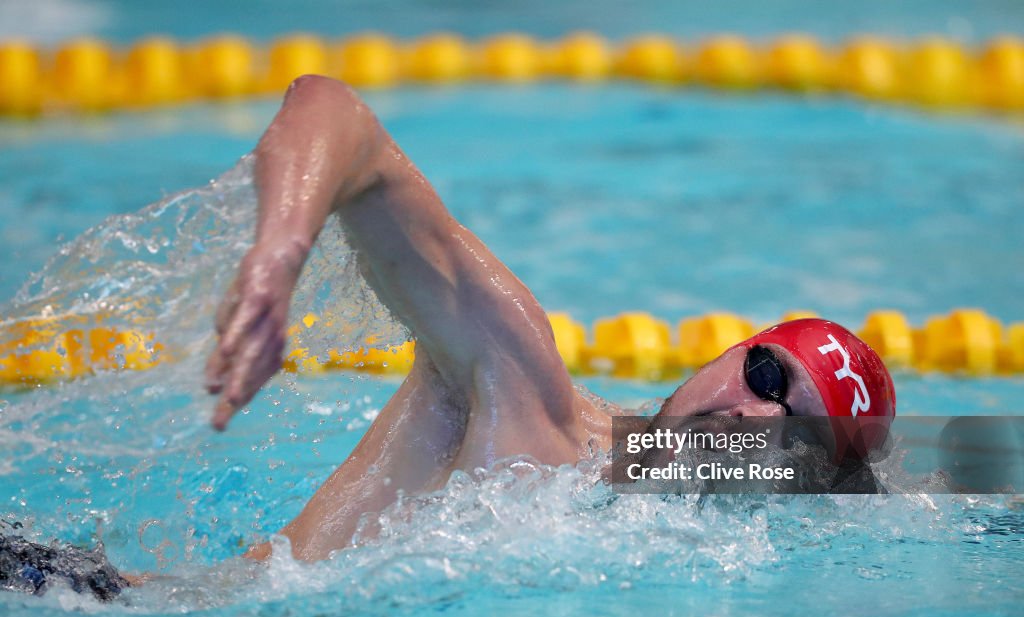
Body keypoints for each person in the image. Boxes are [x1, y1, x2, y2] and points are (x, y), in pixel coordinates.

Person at [202, 76, 897, 563]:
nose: (759, 419)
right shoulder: (517, 388)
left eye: (800, 436)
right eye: (767, 374)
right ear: (731, 352)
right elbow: (335, 113)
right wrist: (283, 249)